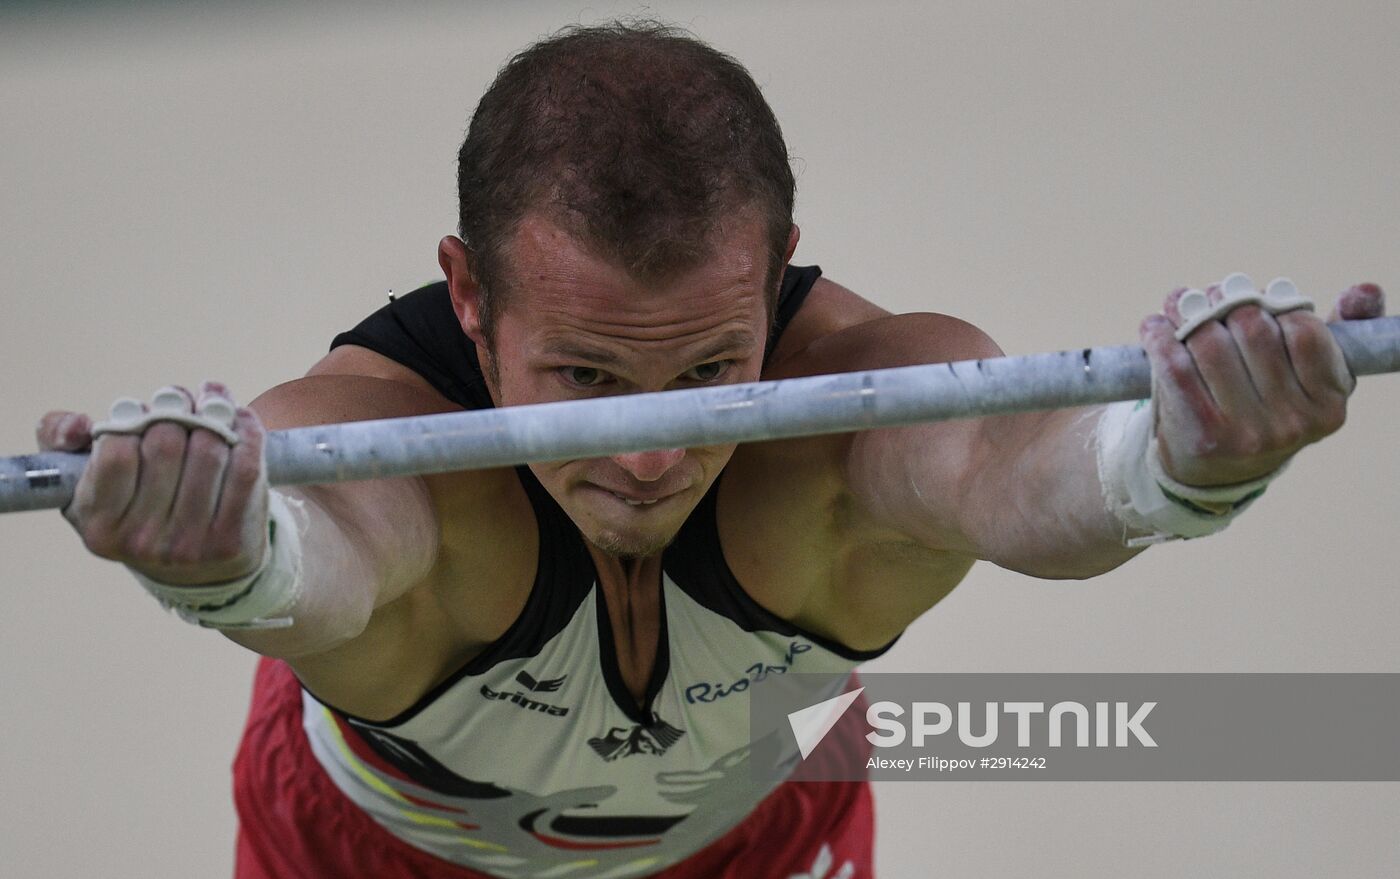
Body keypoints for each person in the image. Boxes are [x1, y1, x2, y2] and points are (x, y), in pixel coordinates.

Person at [34, 20, 1385, 879]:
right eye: (585, 378)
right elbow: (318, 551)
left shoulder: (857, 408)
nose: (648, 456)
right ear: (467, 295)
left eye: (707, 370)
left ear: (778, 271)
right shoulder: (391, 443)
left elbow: (1011, 469)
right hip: (383, 858)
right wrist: (227, 552)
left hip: (755, 846)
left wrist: (1179, 460)